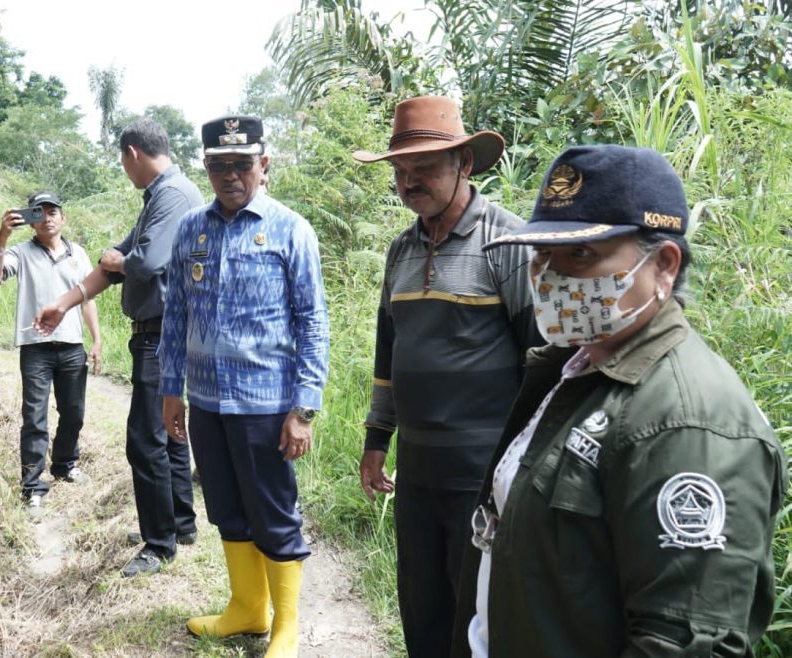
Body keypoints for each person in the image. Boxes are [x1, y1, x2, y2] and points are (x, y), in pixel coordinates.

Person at [451, 144, 786, 657]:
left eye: (581, 254)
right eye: (543, 255)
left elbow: (681, 643)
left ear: (665, 265)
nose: (550, 276)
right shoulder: (577, 369)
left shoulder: (687, 423)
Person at [351, 95, 541, 658]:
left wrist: (529, 471)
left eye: (425, 169)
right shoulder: (400, 251)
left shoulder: (508, 243)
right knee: (422, 604)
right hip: (417, 471)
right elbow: (390, 353)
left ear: (464, 165)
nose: (409, 182)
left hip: (485, 475)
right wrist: (376, 440)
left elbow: (544, 361)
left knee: (480, 613)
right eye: (400, 172)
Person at [160, 115, 330, 658]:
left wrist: (304, 408)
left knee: (274, 514)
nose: (229, 174)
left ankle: (285, 626)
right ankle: (247, 609)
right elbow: (175, 316)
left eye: (240, 164)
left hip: (267, 403)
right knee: (227, 509)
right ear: (206, 167)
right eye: (218, 165)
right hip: (207, 402)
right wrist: (171, 390)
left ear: (263, 164)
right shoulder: (192, 229)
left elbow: (313, 321)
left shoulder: (289, 229)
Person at [33, 118, 202, 576]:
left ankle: (159, 543)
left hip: (163, 331)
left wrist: (121, 260)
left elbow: (143, 262)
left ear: (132, 154)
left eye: (123, 163)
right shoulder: (159, 198)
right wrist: (64, 305)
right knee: (166, 432)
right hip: (154, 330)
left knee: (144, 438)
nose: (126, 171)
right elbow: (113, 265)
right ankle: (178, 524)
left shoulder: (174, 195)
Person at [0, 191, 100, 520]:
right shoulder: (20, 253)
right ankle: (33, 486)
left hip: (72, 345)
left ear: (63, 218)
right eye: (40, 212)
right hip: (35, 347)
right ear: (32, 220)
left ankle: (65, 465)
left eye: (53, 211)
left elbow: (88, 298)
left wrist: (96, 339)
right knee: (34, 418)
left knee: (74, 413)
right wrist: (3, 235)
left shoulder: (78, 253)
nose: (47, 217)